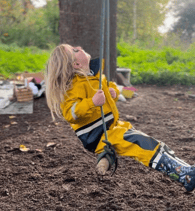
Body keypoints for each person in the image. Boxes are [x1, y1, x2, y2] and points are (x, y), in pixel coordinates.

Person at [45, 44, 195, 192]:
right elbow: (71, 113)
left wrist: (113, 92)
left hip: (114, 126)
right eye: (75, 50)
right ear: (76, 64)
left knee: (152, 143)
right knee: (141, 145)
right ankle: (184, 175)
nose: (79, 46)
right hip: (99, 135)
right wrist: (91, 103)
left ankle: (186, 170)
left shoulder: (95, 76)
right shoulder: (73, 86)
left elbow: (108, 93)